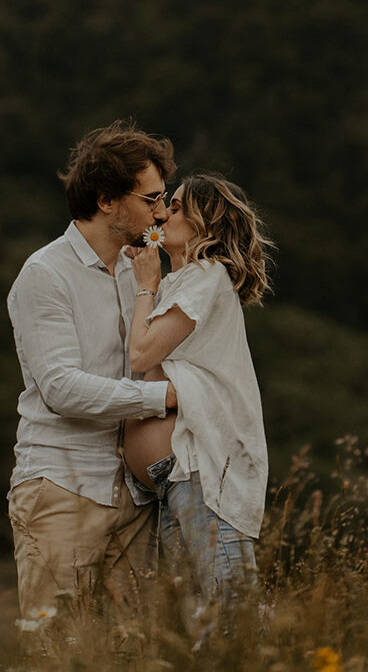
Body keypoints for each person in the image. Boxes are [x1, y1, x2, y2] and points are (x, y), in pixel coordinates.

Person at [6, 120, 180, 623]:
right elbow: (61, 389)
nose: (162, 213)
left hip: (134, 490)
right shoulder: (45, 275)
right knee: (56, 651)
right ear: (106, 200)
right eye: (150, 200)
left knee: (140, 652)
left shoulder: (140, 270)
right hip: (61, 486)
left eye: (163, 198)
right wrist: (165, 398)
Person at [122, 173, 274, 612]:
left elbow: (141, 354)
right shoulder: (184, 282)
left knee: (230, 614)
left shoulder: (207, 275)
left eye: (178, 206)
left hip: (202, 475)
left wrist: (145, 285)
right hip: (176, 481)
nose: (163, 213)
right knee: (199, 623)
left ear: (206, 223)